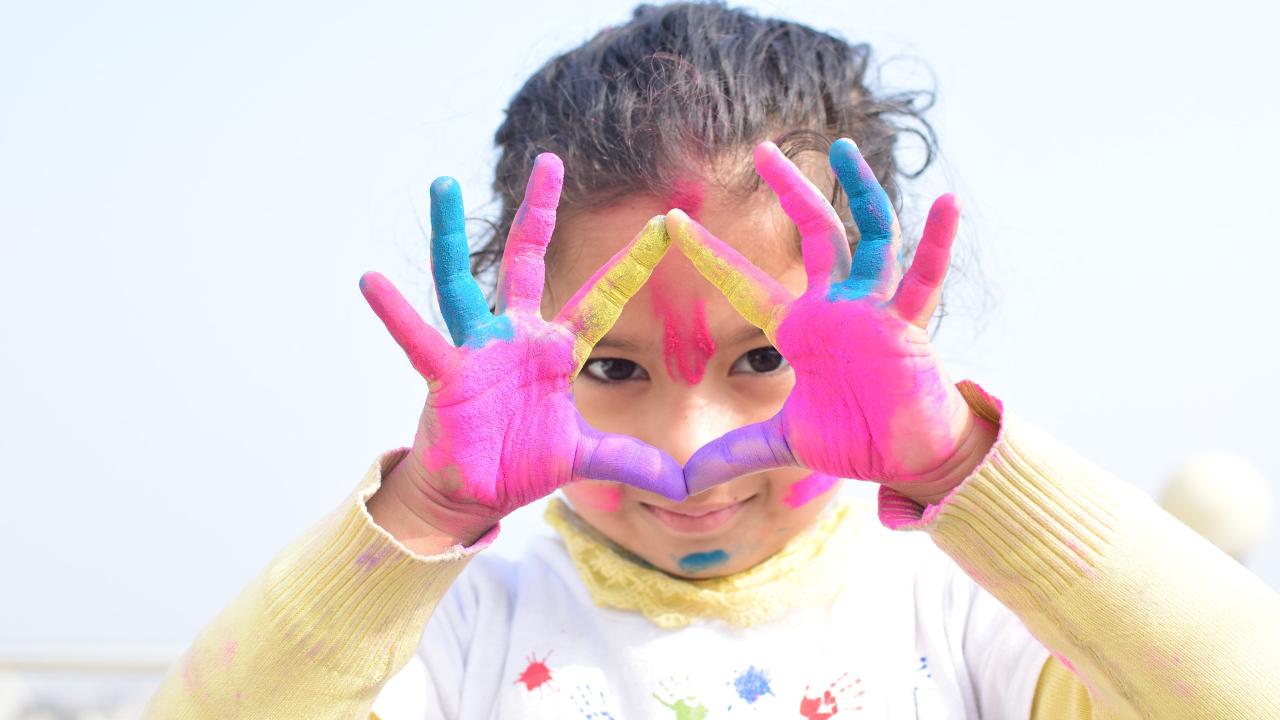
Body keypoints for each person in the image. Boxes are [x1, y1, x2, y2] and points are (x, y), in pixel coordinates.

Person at [142, 3, 1280, 719]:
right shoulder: (460, 631)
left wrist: (960, 470)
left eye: (761, 355)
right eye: (613, 371)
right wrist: (424, 511)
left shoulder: (967, 618)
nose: (688, 454)